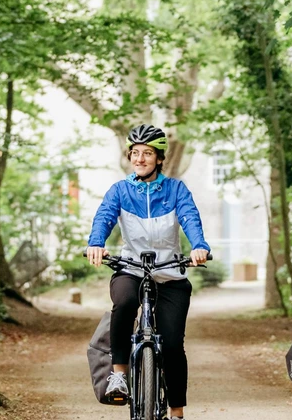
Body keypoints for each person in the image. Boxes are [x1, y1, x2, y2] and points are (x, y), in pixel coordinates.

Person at [86, 124, 210, 420]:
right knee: (125, 302)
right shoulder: (120, 190)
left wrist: (199, 245)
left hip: (170, 273)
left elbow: (190, 217)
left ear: (159, 158)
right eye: (135, 153)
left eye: (147, 153)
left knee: (171, 344)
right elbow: (104, 216)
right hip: (131, 268)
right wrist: (96, 243)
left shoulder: (176, 189)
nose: (140, 159)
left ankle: (177, 412)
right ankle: (118, 375)